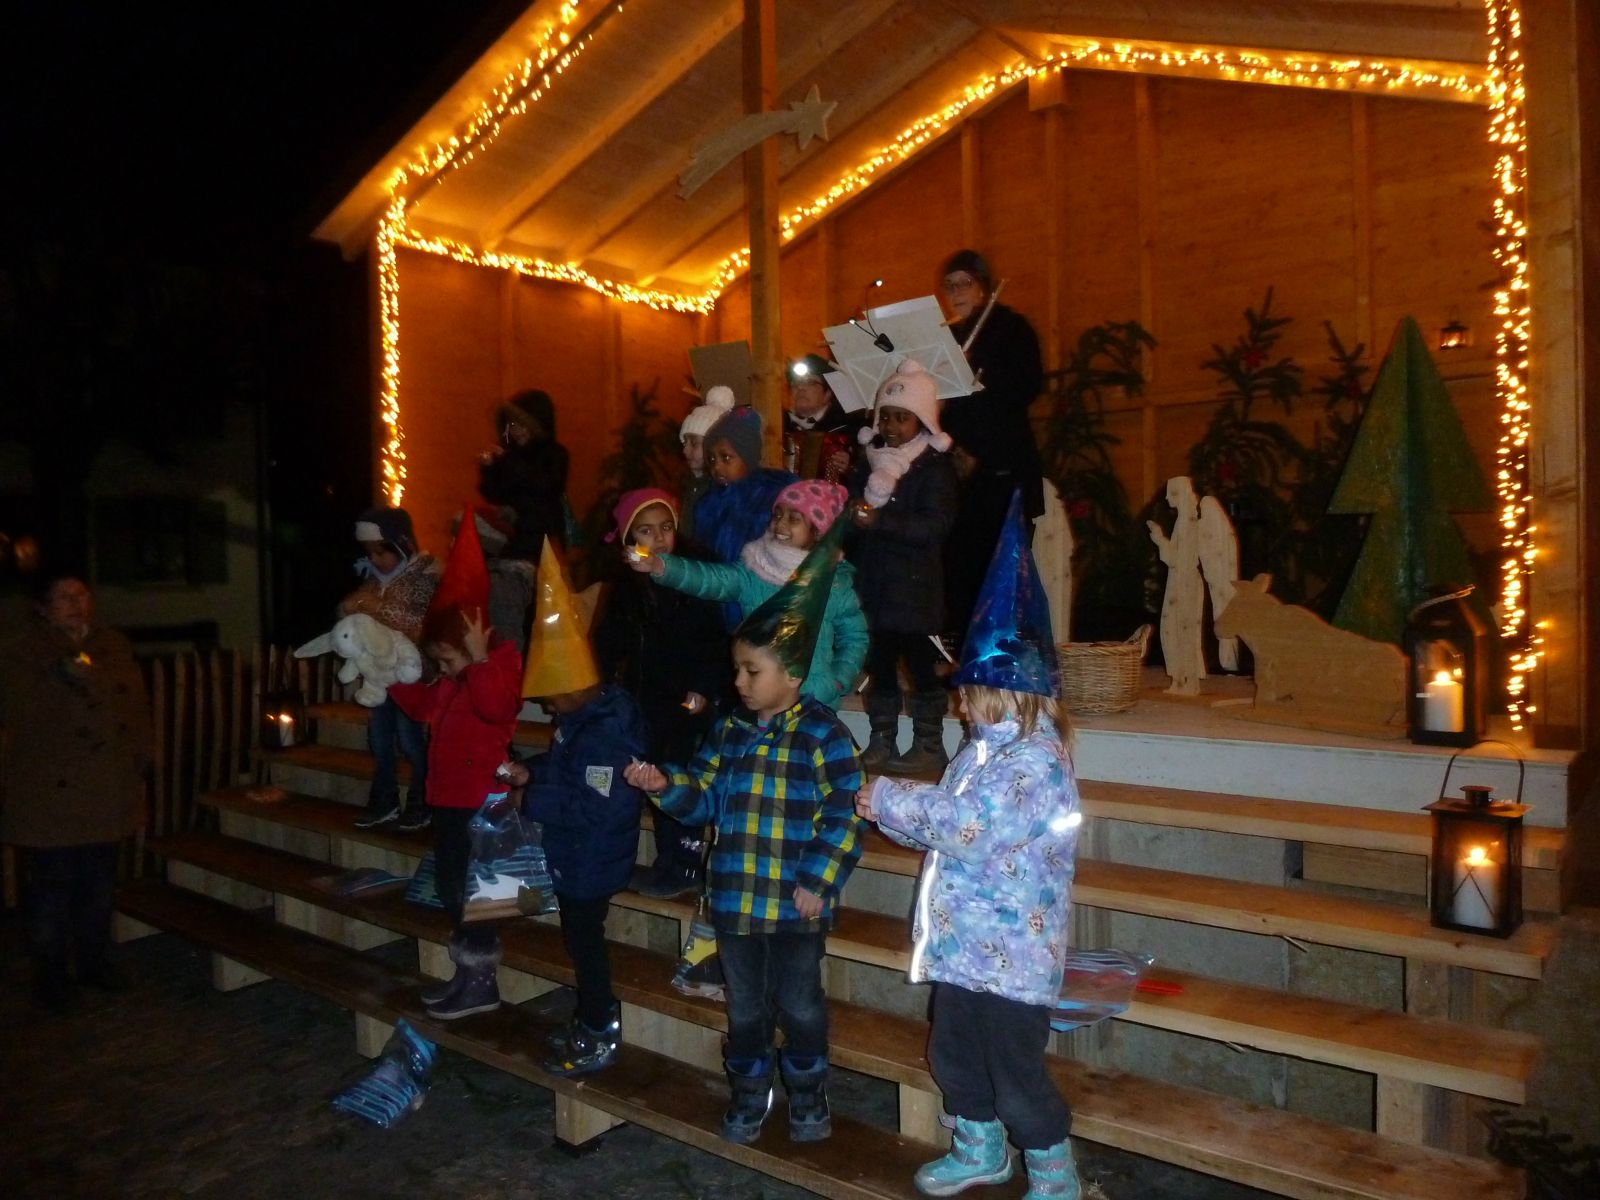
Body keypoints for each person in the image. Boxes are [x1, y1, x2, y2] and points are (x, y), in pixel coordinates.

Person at [857, 493, 1083, 1200]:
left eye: (969, 689)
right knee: (954, 1056)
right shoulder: (979, 754)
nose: (958, 702)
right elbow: (947, 827)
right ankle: (979, 1148)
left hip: (1014, 960)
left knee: (1015, 1074)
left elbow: (971, 828)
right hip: (964, 952)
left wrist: (889, 797)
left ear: (1008, 691)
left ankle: (1053, 1170)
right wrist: (888, 816)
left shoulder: (1035, 763)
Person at [624, 535, 865, 1146]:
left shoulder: (824, 735)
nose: (739, 681)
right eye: (737, 669)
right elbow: (704, 796)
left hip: (794, 905)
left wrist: (819, 878)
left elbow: (845, 812)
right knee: (746, 1008)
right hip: (734, 901)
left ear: (793, 674)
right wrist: (667, 786)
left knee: (801, 1004)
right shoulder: (730, 732)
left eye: (752, 671)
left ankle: (808, 1092)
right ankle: (750, 1093)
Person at [507, 538, 647, 1075]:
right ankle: (592, 1014)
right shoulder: (579, 722)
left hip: (592, 857)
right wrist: (533, 772)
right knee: (576, 935)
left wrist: (531, 798)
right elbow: (566, 770)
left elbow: (595, 805)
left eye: (549, 696)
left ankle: (598, 1021)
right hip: (576, 852)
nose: (545, 707)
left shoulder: (603, 735)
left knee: (584, 941)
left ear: (574, 686)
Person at [387, 516, 523, 1020]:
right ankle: (467, 974)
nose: (443, 671)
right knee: (451, 888)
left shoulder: (498, 667)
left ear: (472, 643)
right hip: (448, 799)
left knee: (479, 895)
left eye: (447, 661)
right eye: (439, 664)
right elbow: (425, 709)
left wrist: (480, 663)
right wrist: (390, 680)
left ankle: (481, 980)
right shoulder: (453, 680)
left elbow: (496, 708)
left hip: (482, 802)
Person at [0, 571, 150, 1011]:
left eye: (81, 595)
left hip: (106, 789)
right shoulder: (23, 652)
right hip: (52, 793)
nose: (76, 604)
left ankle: (93, 962)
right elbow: (23, 714)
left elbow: (134, 706)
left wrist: (143, 756)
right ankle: (51, 977)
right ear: (42, 607)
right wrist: (67, 675)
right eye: (64, 597)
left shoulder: (112, 644)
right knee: (52, 889)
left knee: (98, 885)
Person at [591, 487, 727, 899]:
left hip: (688, 700)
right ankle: (657, 859)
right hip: (646, 698)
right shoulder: (625, 587)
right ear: (629, 540)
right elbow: (608, 642)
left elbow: (715, 642)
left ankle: (684, 862)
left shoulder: (693, 575)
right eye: (646, 531)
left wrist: (704, 688)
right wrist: (603, 689)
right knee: (649, 773)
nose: (659, 538)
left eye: (666, 527)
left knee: (678, 774)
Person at [631, 480, 867, 710]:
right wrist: (661, 566)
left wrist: (837, 680)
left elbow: (855, 637)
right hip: (760, 701)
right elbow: (710, 579)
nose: (780, 524)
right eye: (777, 515)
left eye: (794, 518)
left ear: (818, 531)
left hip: (813, 702)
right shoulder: (754, 571)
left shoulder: (833, 584)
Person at [846, 359, 960, 772]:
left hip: (915, 591)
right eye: (886, 416)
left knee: (921, 669)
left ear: (922, 421)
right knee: (880, 668)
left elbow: (935, 525)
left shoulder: (933, 468)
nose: (891, 426)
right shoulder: (868, 461)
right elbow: (852, 513)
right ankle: (882, 739)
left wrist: (880, 520)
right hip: (875, 587)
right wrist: (853, 514)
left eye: (902, 417)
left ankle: (929, 744)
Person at [938, 249, 1045, 638]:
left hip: (1002, 466)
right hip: (958, 471)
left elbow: (1029, 386)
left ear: (983, 287)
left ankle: (1003, 651)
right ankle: (962, 651)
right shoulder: (946, 338)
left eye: (964, 283)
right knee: (960, 567)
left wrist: (977, 372)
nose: (956, 292)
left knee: (1002, 567)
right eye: (949, 286)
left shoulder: (1011, 328)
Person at [339, 507, 438, 831]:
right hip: (380, 676)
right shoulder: (373, 582)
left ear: (402, 545)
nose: (376, 559)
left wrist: (376, 609)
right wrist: (349, 611)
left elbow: (421, 623)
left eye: (381, 552)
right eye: (370, 553)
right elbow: (354, 610)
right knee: (380, 740)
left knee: (411, 741)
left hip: (411, 674)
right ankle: (385, 800)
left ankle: (422, 801)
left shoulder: (424, 577)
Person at [478, 387, 572, 644]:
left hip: (541, 545)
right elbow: (494, 494)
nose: (515, 430)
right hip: (512, 545)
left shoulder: (555, 454)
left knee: (540, 615)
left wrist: (507, 461)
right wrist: (489, 469)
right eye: (511, 425)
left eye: (521, 424)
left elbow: (544, 487)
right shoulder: (512, 456)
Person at [690, 404, 797, 571]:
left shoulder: (771, 496)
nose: (716, 466)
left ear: (747, 456)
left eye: (726, 457)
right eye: (711, 459)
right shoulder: (708, 504)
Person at [784, 354, 865, 482]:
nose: (800, 387)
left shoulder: (850, 429)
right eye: (795, 383)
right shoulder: (779, 426)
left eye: (810, 382)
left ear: (827, 394)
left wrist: (851, 468)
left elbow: (865, 475)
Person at [677, 386, 735, 542]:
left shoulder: (723, 491)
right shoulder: (687, 484)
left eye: (694, 443)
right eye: (685, 443)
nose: (685, 450)